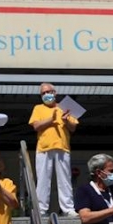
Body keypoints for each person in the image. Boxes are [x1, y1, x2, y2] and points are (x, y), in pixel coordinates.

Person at [29, 82, 79, 217]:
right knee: (43, 180)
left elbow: (73, 127)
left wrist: (66, 120)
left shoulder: (65, 107)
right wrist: (51, 120)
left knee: (65, 180)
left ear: (55, 93)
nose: (46, 95)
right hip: (44, 148)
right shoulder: (38, 108)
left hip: (62, 147)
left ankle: (68, 208)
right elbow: (36, 125)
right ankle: (41, 209)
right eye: (43, 93)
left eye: (49, 92)